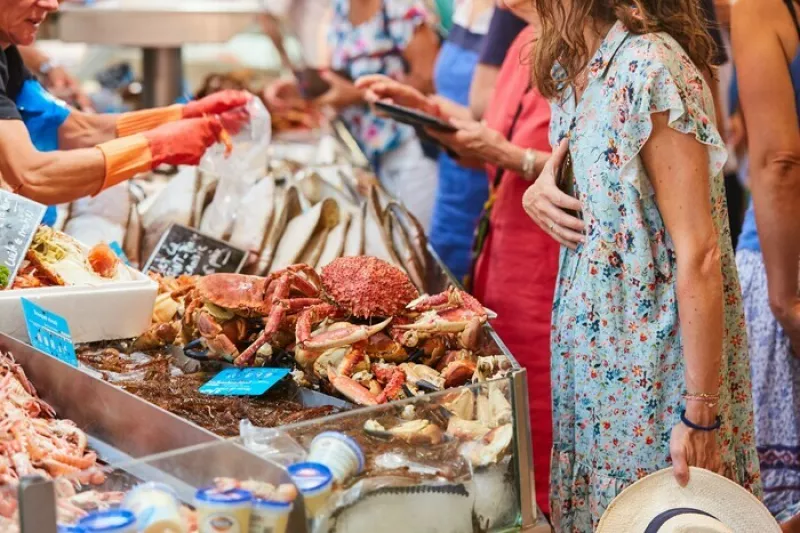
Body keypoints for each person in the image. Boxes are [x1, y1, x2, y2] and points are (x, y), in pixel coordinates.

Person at [521, 0, 761, 529]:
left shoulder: (649, 67)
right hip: (596, 374)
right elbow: (608, 183)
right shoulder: (571, 66)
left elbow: (698, 250)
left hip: (658, 381)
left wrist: (700, 415)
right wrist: (540, 187)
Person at [358, 0, 558, 513]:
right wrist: (426, 110)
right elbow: (479, 145)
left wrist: (512, 157)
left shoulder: (593, 53)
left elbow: (607, 174)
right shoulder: (521, 41)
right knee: (502, 431)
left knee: (546, 439)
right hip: (500, 261)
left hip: (553, 277)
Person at [0, 0, 250, 208]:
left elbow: (76, 129)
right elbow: (31, 177)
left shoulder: (7, 50)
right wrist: (157, 147)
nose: (50, 4)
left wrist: (181, 115)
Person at [265, 0, 441, 230]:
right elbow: (333, 76)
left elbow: (429, 80)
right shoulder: (338, 10)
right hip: (363, 155)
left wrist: (356, 95)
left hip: (409, 150)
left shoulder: (401, 7)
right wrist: (296, 89)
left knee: (416, 239)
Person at [358, 0, 493, 281]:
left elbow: (498, 124)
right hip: (451, 166)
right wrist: (417, 105)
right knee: (440, 271)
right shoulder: (465, 8)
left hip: (487, 181)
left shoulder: (513, 13)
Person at [732, 0, 800, 523]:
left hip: (784, 259)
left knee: (775, 507)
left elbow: (779, 162)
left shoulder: (764, 7)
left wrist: (785, 300)